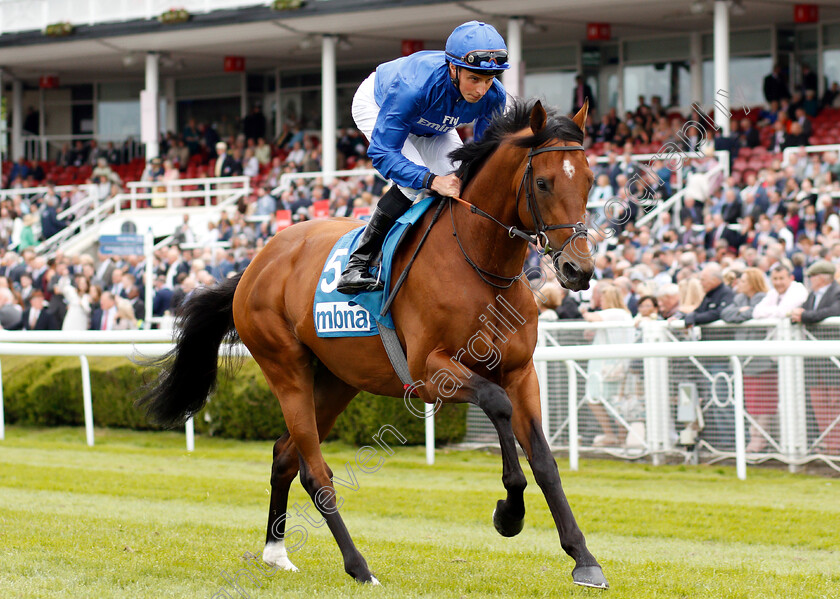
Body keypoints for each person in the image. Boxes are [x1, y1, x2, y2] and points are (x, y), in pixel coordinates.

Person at [335, 21, 508, 293]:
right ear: (453, 68)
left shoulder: (495, 97)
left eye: (488, 80)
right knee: (413, 182)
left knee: (462, 183)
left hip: (433, 122)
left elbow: (485, 156)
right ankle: (358, 262)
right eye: (474, 78)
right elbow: (384, 153)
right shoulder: (413, 87)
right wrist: (430, 179)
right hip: (381, 105)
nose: (481, 90)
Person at [721, 267, 773, 452]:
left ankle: (760, 440)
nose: (738, 284)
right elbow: (725, 314)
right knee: (750, 403)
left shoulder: (764, 297)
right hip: (743, 360)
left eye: (742, 281)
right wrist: (741, 312)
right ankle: (755, 439)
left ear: (752, 282)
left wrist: (742, 312)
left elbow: (753, 314)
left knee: (762, 404)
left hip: (761, 362)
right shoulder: (739, 298)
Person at [790, 260, 840, 453]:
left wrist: (805, 316)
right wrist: (799, 314)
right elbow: (805, 312)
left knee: (835, 402)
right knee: (818, 403)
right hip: (815, 361)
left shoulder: (836, 292)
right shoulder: (811, 296)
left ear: (821, 277)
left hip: (832, 359)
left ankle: (836, 445)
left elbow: (832, 312)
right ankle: (829, 444)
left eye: (811, 277)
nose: (809, 280)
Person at [582, 284, 635, 447]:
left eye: (603, 298)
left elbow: (592, 317)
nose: (601, 301)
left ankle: (613, 435)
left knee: (606, 400)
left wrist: (585, 309)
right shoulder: (623, 314)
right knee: (612, 401)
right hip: (611, 363)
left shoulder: (616, 313)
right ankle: (616, 436)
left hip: (608, 364)